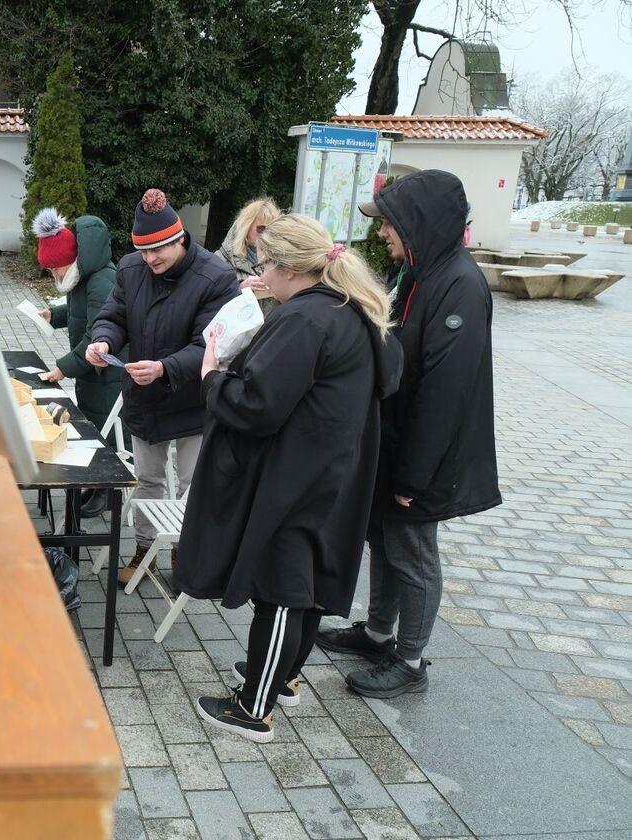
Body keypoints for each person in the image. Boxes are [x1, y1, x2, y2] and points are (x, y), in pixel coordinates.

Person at [176, 213, 402, 743]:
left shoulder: (306, 319)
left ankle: (254, 705)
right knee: (306, 583)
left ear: (284, 267)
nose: (259, 275)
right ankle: (281, 678)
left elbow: (257, 404)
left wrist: (212, 378)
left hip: (299, 473)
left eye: (262, 266)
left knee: (282, 586)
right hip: (334, 468)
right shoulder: (351, 308)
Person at [316, 169, 502, 698]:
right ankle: (378, 633)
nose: (382, 235)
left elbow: (446, 393)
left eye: (390, 225)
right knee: (386, 541)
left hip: (426, 457)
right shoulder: (424, 272)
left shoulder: (459, 285)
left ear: (417, 224)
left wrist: (414, 476)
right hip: (399, 444)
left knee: (413, 553)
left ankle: (411, 659)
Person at [86, 188, 238, 587]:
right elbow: (113, 315)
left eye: (159, 250)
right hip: (145, 395)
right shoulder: (130, 268)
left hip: (192, 399)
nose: (150, 259)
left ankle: (185, 555)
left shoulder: (216, 276)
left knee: (192, 483)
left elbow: (211, 344)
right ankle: (144, 549)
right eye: (143, 250)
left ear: (180, 238)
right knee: (147, 480)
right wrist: (102, 340)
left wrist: (165, 368)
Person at [32, 208, 124, 517]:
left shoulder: (102, 280)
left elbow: (93, 337)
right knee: (93, 426)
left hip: (107, 372)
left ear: (66, 263)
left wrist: (62, 368)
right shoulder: (83, 275)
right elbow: (77, 310)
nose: (54, 275)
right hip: (91, 371)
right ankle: (96, 485)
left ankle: (107, 489)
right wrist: (53, 315)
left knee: (106, 432)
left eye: (53, 269)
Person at [217, 197, 282, 315]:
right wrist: (240, 289)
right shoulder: (220, 259)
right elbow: (210, 301)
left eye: (271, 229)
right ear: (246, 227)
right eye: (261, 229)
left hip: (273, 330)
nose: (266, 235)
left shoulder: (283, 260)